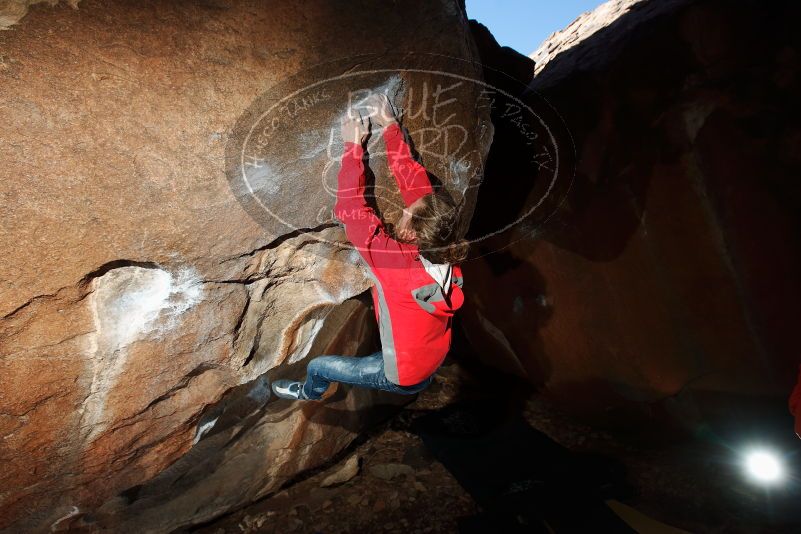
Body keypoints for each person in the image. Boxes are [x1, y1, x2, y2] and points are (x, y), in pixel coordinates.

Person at [271, 94, 469, 401]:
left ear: (410, 233)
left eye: (406, 214)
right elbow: (419, 191)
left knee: (319, 366)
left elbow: (351, 208)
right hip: (430, 358)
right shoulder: (444, 248)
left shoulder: (396, 266)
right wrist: (390, 126)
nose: (404, 208)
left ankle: (310, 392)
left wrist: (352, 146)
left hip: (399, 375)